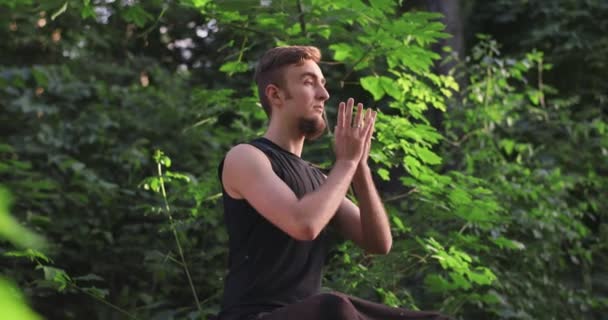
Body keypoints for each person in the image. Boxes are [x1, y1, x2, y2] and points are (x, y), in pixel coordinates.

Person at [217, 46, 450, 320]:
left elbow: (378, 243)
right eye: (308, 82)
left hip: (309, 313)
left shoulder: (321, 181)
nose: (323, 95)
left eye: (323, 84)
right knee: (332, 307)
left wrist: (360, 167)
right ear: (275, 94)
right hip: (253, 315)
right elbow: (303, 224)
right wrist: (347, 163)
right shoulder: (246, 157)